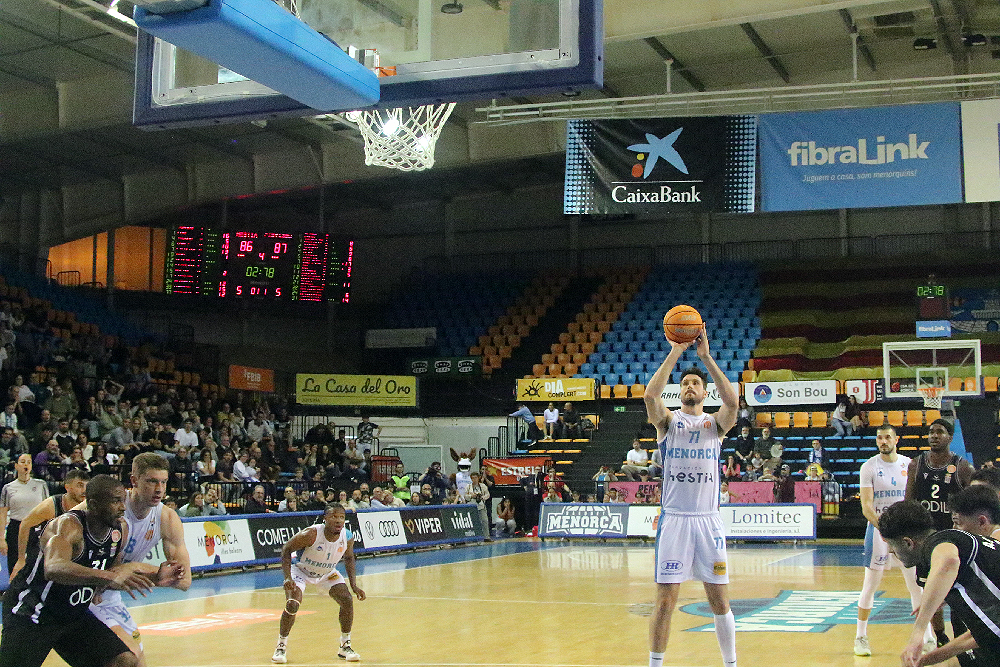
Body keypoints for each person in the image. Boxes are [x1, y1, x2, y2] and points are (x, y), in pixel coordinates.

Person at [0, 474, 183, 667]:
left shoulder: (119, 532)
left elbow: (114, 574)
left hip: (73, 614)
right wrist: (108, 577)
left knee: (123, 661)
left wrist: (155, 577)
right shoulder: (68, 526)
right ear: (93, 504)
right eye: (115, 501)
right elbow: (54, 568)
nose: (122, 507)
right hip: (33, 612)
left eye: (123, 501)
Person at [644, 324, 738, 667]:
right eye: (684, 384)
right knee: (666, 601)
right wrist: (675, 351)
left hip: (708, 521)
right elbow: (651, 397)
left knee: (720, 601)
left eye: (695, 383)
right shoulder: (668, 423)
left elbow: (733, 401)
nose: (689, 386)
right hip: (675, 521)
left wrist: (706, 358)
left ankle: (731, 664)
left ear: (704, 392)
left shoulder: (715, 426)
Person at [87, 453, 193, 666]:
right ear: (134, 480)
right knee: (128, 657)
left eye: (163, 482)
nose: (159, 489)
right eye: (152, 481)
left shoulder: (167, 518)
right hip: (84, 592)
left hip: (110, 595)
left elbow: (185, 580)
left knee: (138, 661)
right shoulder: (109, 507)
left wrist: (153, 574)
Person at [880, 500, 1000, 667]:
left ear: (908, 543)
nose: (891, 552)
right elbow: (983, 633)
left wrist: (918, 632)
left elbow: (948, 561)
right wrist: (928, 660)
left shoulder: (940, 541)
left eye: (891, 546)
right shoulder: (969, 565)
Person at [854, 424, 931, 657]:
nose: (883, 441)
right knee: (870, 586)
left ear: (896, 439)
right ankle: (860, 637)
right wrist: (885, 529)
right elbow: (867, 505)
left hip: (905, 535)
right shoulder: (869, 467)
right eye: (879, 438)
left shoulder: (909, 465)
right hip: (880, 531)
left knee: (915, 585)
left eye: (887, 437)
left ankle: (926, 636)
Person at [905, 418, 975, 647]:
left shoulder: (962, 467)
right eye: (931, 432)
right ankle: (941, 637)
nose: (934, 435)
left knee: (956, 591)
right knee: (930, 592)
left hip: (954, 540)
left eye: (940, 432)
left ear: (950, 437)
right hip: (927, 540)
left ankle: (960, 638)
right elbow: (909, 503)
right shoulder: (916, 465)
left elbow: (973, 502)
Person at [272, 504, 365, 664]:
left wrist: (354, 585)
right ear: (325, 518)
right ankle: (281, 646)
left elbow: (349, 558)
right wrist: (287, 577)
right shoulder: (311, 534)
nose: (338, 520)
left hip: (326, 572)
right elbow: (286, 549)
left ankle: (345, 645)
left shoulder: (347, 536)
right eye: (333, 516)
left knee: (347, 600)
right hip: (301, 571)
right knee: (293, 604)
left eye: (341, 517)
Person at [10, 469, 90, 579]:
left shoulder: (89, 507)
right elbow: (25, 524)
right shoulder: (51, 506)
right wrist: (21, 559)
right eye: (80, 486)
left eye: (87, 486)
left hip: (72, 554)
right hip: (44, 554)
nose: (84, 490)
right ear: (67, 487)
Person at [1, 453, 50, 572]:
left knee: (37, 563)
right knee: (15, 563)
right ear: (16, 466)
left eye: (28, 462)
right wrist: (1, 538)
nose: (26, 465)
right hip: (16, 527)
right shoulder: (8, 487)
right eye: (22, 462)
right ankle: (14, 588)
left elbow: (48, 509)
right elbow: (2, 513)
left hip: (37, 528)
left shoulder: (41, 485)